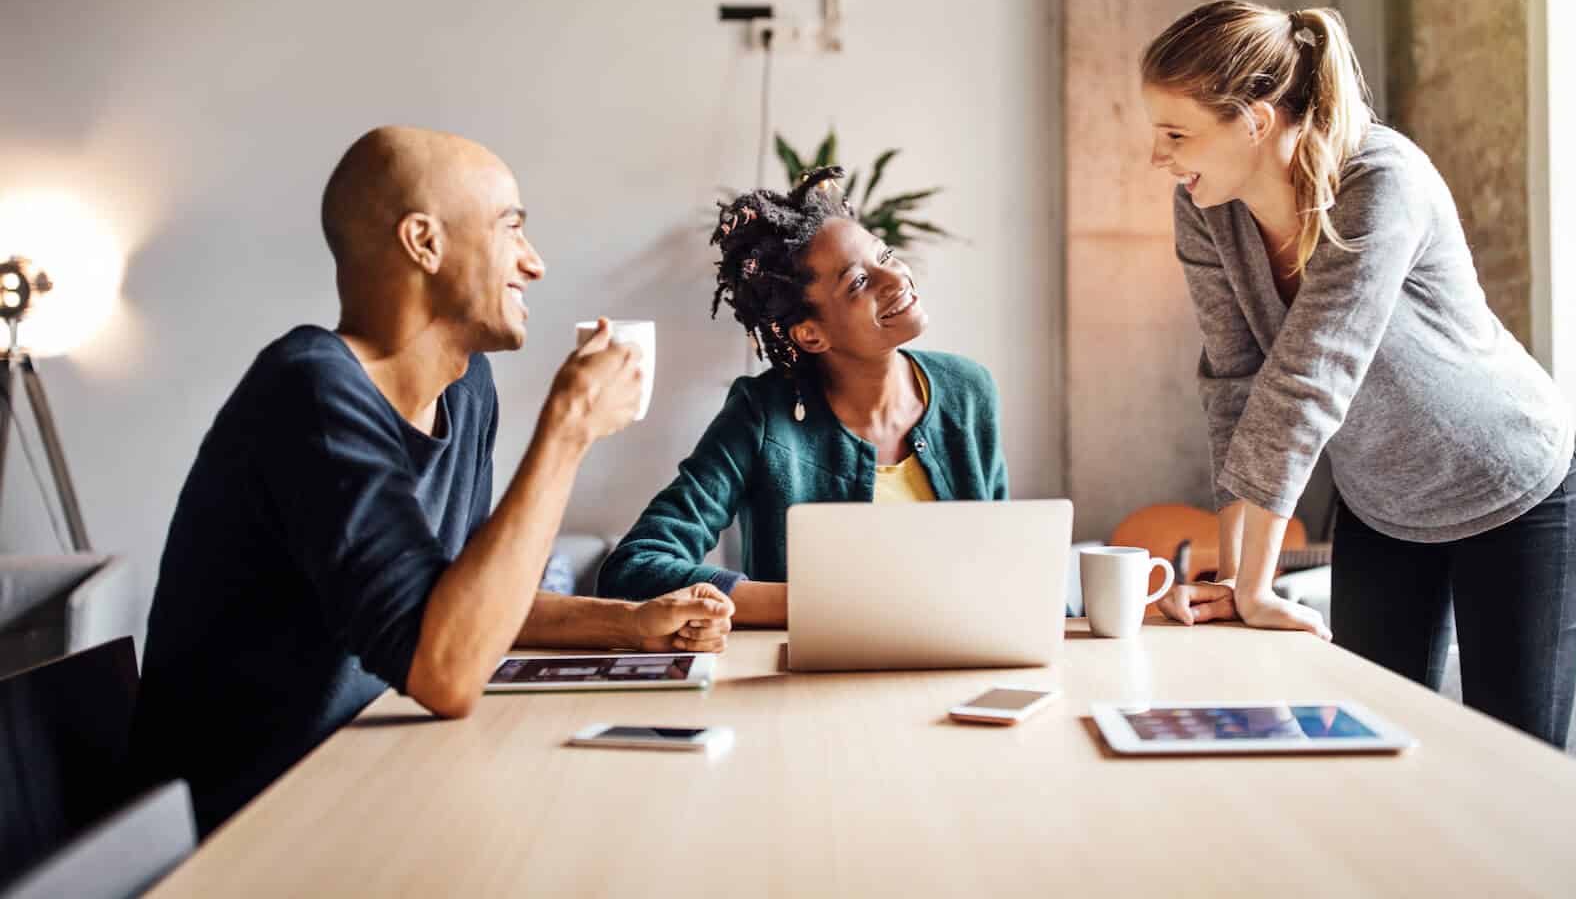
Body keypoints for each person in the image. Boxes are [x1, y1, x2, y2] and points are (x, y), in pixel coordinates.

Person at [133, 127, 734, 834]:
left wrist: (631, 625)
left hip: (360, 787)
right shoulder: (310, 391)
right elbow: (445, 673)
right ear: (423, 242)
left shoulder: (467, 387)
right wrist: (568, 428)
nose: (534, 264)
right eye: (512, 229)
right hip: (247, 830)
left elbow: (461, 604)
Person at [1139, 0, 1576, 747]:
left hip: (1514, 491)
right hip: (1384, 507)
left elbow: (1310, 376)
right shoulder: (1204, 208)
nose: (1159, 155)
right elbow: (1235, 384)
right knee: (1359, 746)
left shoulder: (1381, 180)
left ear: (1254, 121)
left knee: (1517, 771)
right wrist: (1236, 577)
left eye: (1177, 133)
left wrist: (1257, 586)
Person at [595, 167, 1007, 626]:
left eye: (885, 255)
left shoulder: (968, 391)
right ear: (811, 334)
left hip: (960, 662)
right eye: (857, 283)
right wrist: (809, 605)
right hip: (809, 686)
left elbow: (1003, 561)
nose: (893, 278)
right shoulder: (762, 416)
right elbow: (633, 568)